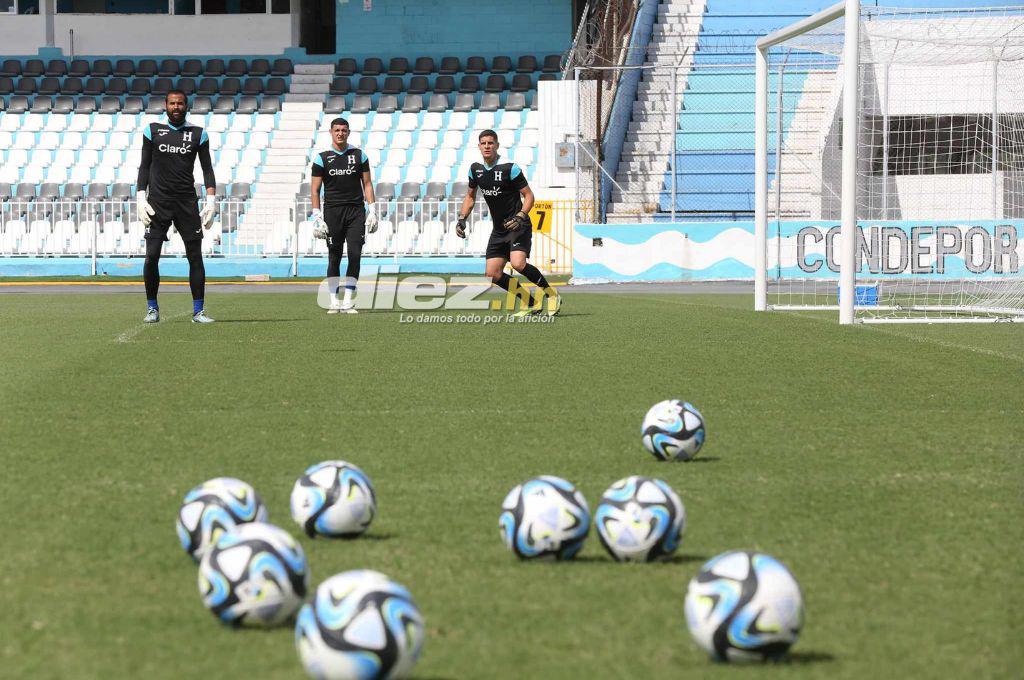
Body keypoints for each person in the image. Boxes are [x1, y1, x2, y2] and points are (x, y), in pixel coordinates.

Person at [456, 129, 560, 316]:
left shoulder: (509, 167)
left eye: (490, 143)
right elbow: (470, 197)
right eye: (483, 143)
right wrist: (462, 218)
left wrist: (521, 215)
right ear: (479, 146)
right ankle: (531, 303)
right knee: (493, 274)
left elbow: (528, 196)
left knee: (518, 264)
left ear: (497, 145)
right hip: (499, 230)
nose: (487, 146)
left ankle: (552, 295)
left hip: (518, 225)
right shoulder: (475, 169)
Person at [136, 89, 217, 323]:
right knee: (151, 256)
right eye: (172, 103)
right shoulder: (152, 131)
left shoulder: (198, 134)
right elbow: (144, 166)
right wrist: (141, 197)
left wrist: (211, 200)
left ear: (186, 105)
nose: (176, 107)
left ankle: (198, 311)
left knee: (195, 257)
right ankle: (152, 308)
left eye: (180, 103)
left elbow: (207, 169)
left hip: (186, 204)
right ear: (165, 105)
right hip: (158, 204)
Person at [310, 118, 378, 314]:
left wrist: (372, 209)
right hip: (332, 212)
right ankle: (334, 300)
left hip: (356, 212)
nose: (340, 133)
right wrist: (317, 216)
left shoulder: (359, 156)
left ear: (349, 132)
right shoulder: (321, 158)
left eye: (344, 130)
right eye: (337, 130)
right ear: (331, 132)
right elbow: (315, 190)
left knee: (355, 255)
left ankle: (348, 300)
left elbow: (367, 184)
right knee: (334, 256)